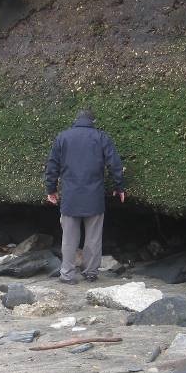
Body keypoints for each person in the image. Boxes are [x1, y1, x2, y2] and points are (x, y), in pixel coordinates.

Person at [44, 109, 125, 284]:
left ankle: (67, 275)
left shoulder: (63, 137)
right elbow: (114, 164)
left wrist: (51, 190)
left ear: (76, 120)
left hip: (70, 196)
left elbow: (52, 166)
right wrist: (119, 187)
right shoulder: (101, 137)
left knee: (69, 238)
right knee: (93, 238)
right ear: (92, 121)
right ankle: (90, 273)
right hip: (94, 196)